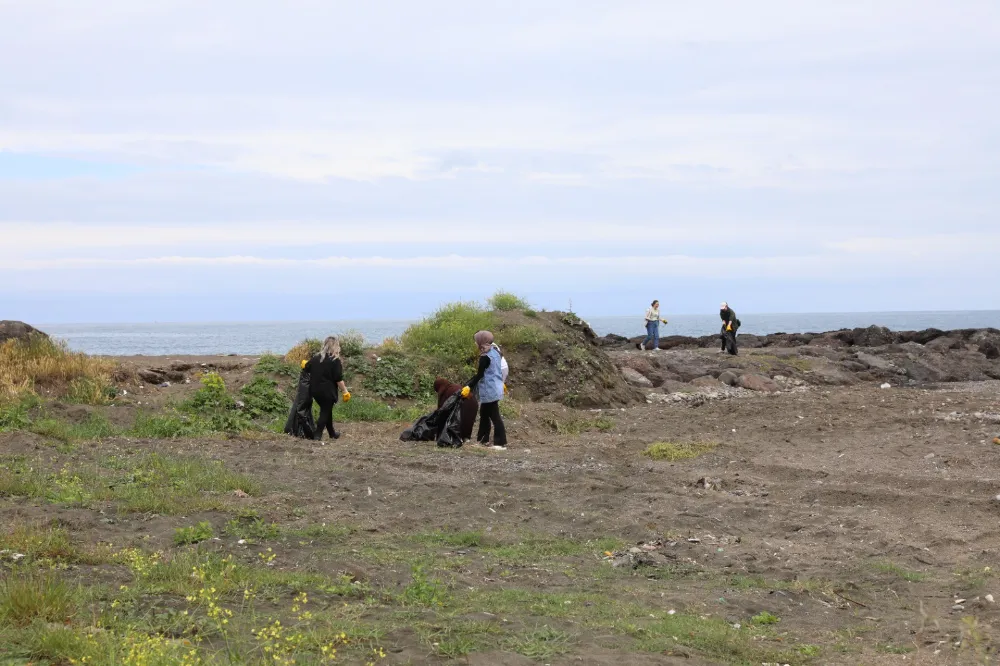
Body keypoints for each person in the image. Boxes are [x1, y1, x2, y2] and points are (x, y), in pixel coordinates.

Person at [462, 330, 507, 449]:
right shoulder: (496, 352)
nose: (475, 344)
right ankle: (483, 440)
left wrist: (468, 386)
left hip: (490, 389)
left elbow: (480, 375)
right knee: (484, 414)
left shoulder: (485, 357)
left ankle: (500, 443)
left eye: (476, 341)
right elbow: (499, 368)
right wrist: (502, 382)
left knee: (495, 416)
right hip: (496, 386)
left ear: (482, 341)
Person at [304, 336, 351, 441]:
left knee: (327, 410)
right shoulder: (335, 360)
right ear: (336, 346)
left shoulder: (316, 358)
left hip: (315, 390)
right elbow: (338, 379)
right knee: (325, 411)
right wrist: (345, 391)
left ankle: (332, 433)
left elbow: (306, 367)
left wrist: (305, 364)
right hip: (327, 392)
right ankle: (317, 435)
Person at [433, 377, 478, 442]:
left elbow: (441, 412)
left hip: (465, 403)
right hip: (473, 402)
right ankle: (466, 437)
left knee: (458, 418)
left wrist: (438, 434)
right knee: (467, 420)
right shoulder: (455, 386)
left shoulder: (444, 391)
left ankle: (458, 436)